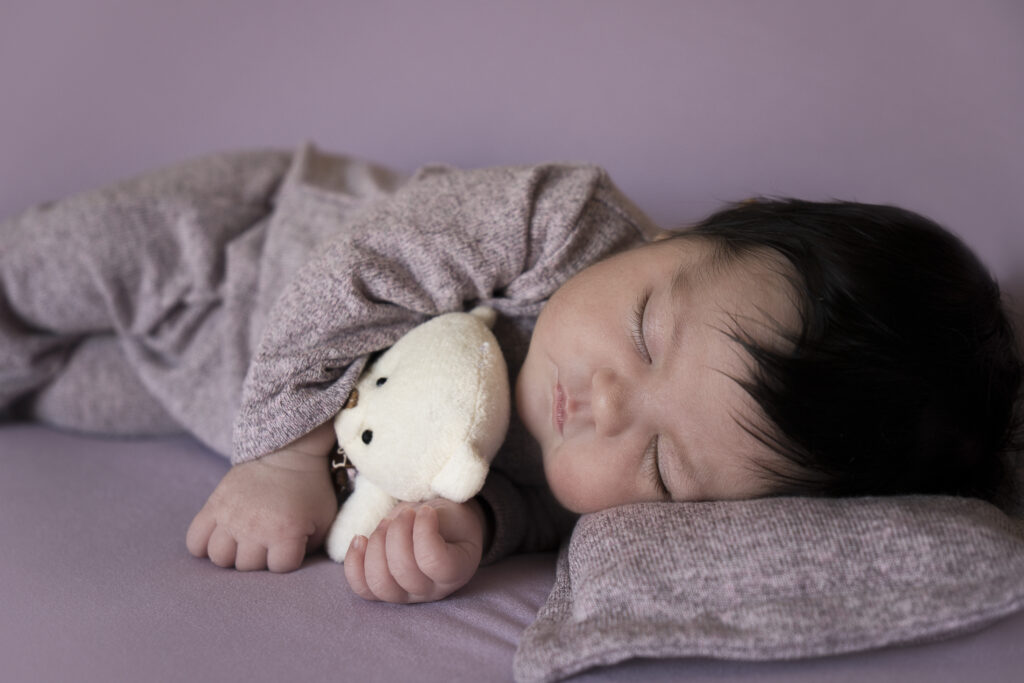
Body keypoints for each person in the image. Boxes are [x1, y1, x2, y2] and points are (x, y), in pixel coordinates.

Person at [2, 147, 1020, 604]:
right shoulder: (557, 219)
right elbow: (363, 265)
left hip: (203, 389)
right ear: (690, 231)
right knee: (43, 274)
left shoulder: (592, 486)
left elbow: (540, 502)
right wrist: (281, 456)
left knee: (63, 390)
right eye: (649, 330)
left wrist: (472, 533)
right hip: (241, 246)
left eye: (662, 466)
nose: (609, 402)